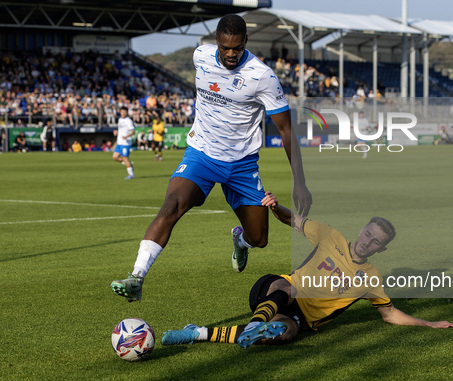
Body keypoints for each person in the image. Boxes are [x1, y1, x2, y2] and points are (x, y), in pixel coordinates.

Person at [110, 14, 312, 302]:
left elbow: (286, 129)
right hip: (201, 154)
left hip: (242, 164)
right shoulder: (200, 55)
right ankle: (137, 277)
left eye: (237, 48)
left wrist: (300, 183)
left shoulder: (262, 76)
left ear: (245, 43)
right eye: (225, 47)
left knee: (259, 238)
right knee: (171, 205)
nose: (231, 54)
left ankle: (239, 241)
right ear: (216, 41)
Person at [161, 192, 453, 349]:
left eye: (376, 242)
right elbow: (293, 221)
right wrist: (275, 208)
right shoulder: (330, 236)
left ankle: (195, 334)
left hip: (299, 317)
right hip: (276, 289)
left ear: (381, 250)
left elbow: (390, 314)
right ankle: (255, 324)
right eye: (368, 234)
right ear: (362, 229)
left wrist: (430, 324)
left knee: (282, 334)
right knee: (289, 288)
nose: (368, 242)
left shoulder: (371, 278)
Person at [112, 106, 135, 180]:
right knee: (115, 157)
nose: (123, 113)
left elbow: (132, 131)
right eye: (122, 111)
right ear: (120, 112)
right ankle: (129, 163)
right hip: (119, 142)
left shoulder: (128, 121)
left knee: (125, 159)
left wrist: (127, 136)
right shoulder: (120, 119)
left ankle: (131, 174)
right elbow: (121, 130)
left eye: (124, 112)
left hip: (126, 143)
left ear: (127, 113)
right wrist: (116, 132)